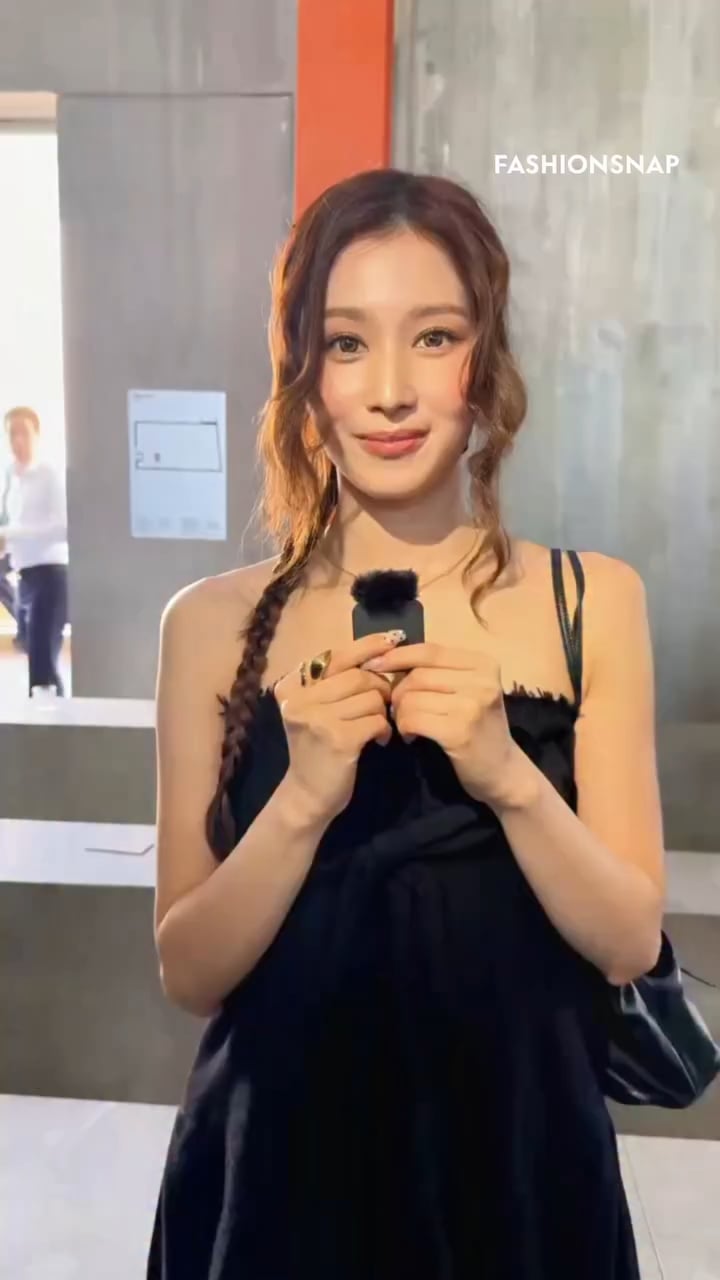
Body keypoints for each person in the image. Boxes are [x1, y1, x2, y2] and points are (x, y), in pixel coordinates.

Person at [147, 170, 666, 1279]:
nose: (389, 390)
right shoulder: (209, 624)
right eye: (347, 343)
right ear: (303, 371)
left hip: (520, 1169)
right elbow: (188, 970)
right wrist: (301, 799)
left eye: (434, 337)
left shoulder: (590, 601)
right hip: (278, 1178)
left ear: (487, 358)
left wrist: (507, 775)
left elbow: (629, 938)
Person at [0, 407, 69, 696]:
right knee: (37, 661)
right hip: (25, 577)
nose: (18, 440)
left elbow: (63, 528)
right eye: (12, 434)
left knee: (42, 667)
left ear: (37, 435)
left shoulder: (49, 474)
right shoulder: (12, 479)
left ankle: (53, 721)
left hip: (51, 576)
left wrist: (11, 534)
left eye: (24, 433)